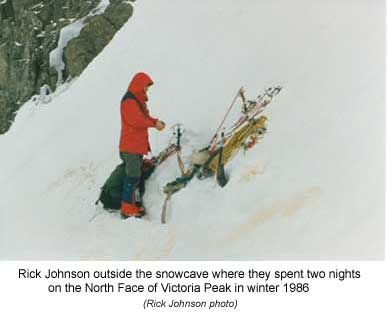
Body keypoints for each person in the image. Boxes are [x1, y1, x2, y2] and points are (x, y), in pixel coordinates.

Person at [119, 72, 165, 219]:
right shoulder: (129, 101)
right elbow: (137, 120)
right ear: (139, 85)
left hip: (135, 147)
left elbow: (144, 117)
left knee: (135, 175)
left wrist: (155, 121)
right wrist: (153, 124)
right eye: (145, 86)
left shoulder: (137, 101)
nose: (146, 90)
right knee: (132, 176)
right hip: (130, 147)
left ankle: (133, 204)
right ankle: (127, 207)